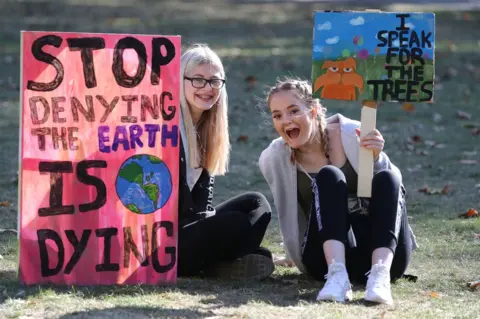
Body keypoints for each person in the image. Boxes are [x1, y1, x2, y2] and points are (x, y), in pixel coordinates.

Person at [259, 77, 418, 304]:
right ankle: (338, 276)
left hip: (379, 251)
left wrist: (377, 158)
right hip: (323, 262)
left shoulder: (352, 134)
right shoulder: (274, 158)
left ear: (313, 110)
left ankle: (379, 277)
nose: (286, 120)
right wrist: (290, 254)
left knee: (389, 176)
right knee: (329, 176)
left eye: (294, 111)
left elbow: (393, 197)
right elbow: (289, 213)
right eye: (277, 115)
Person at [177, 44, 274, 281]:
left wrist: (207, 223)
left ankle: (218, 265)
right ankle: (219, 262)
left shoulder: (208, 128)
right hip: (164, 241)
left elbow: (202, 205)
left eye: (214, 81)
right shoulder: (166, 128)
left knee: (256, 204)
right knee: (235, 224)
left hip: (190, 228)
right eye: (198, 80)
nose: (207, 88)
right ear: (181, 81)